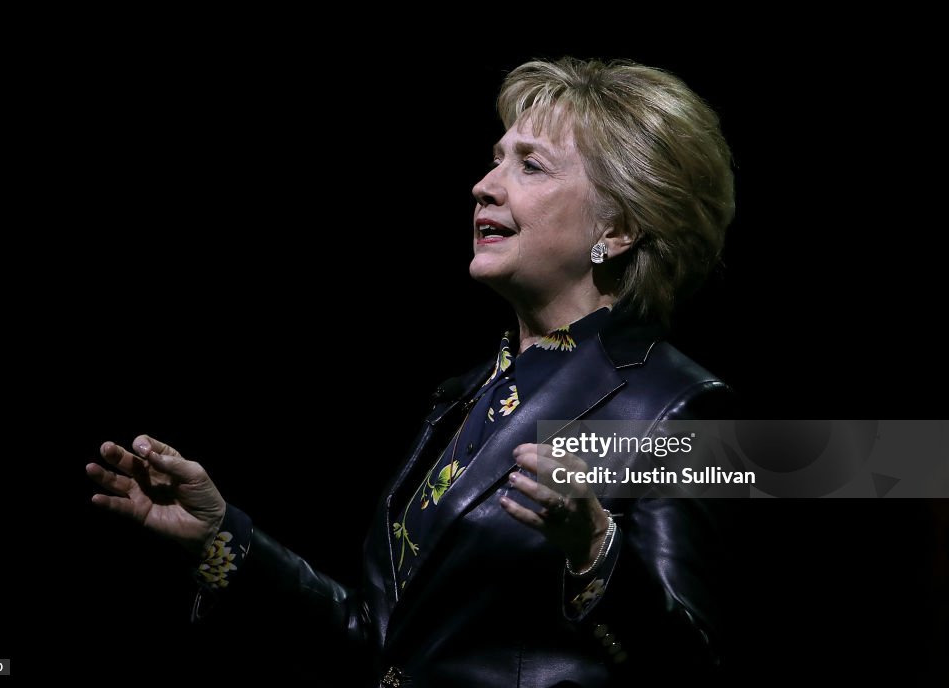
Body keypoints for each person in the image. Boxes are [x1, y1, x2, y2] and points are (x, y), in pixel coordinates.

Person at [86, 56, 737, 686]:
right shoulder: (468, 394)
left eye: (531, 166)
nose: (485, 184)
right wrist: (220, 537)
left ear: (617, 228)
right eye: (495, 159)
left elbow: (697, 668)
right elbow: (382, 649)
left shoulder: (680, 405)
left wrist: (597, 551)